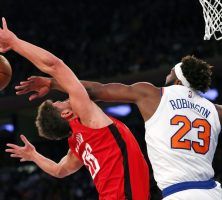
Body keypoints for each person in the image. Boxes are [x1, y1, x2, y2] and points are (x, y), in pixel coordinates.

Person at [15, 29, 222, 200]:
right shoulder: (218, 111)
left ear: (177, 79)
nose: (165, 75)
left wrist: (54, 82)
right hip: (212, 191)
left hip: (177, 193)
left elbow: (96, 90)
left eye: (169, 73)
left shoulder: (152, 95)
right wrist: (56, 84)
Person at [0, 17, 150, 200]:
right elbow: (55, 65)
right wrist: (14, 42)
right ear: (66, 114)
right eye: (59, 103)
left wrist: (34, 156)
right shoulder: (87, 119)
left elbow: (59, 170)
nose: (63, 100)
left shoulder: (77, 144)